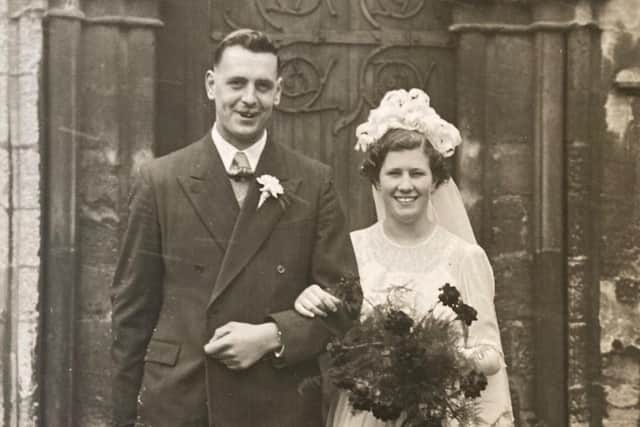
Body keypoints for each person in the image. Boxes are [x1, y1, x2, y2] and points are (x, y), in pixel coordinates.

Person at [111, 29, 360, 427]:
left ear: (278, 93)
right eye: (237, 83)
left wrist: (272, 337)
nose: (249, 99)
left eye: (263, 86)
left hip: (277, 405)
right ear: (212, 86)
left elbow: (346, 302)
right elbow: (131, 316)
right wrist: (122, 419)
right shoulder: (160, 180)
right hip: (182, 402)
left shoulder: (314, 182)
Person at [295, 89, 514, 426]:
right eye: (394, 173)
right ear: (377, 181)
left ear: (435, 179)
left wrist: (441, 358)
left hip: (438, 417)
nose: (406, 185)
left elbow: (491, 354)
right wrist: (308, 296)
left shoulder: (465, 257)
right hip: (366, 416)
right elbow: (329, 328)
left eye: (417, 173)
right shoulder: (351, 250)